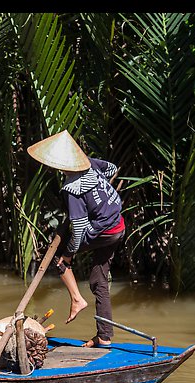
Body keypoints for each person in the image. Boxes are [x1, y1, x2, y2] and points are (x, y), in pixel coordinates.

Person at [27, 130, 125, 348]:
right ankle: (105, 337)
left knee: (60, 259)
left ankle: (77, 299)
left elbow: (79, 229)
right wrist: (99, 194)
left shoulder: (72, 188)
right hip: (118, 226)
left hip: (103, 232)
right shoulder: (90, 163)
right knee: (99, 280)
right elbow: (111, 168)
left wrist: (69, 253)